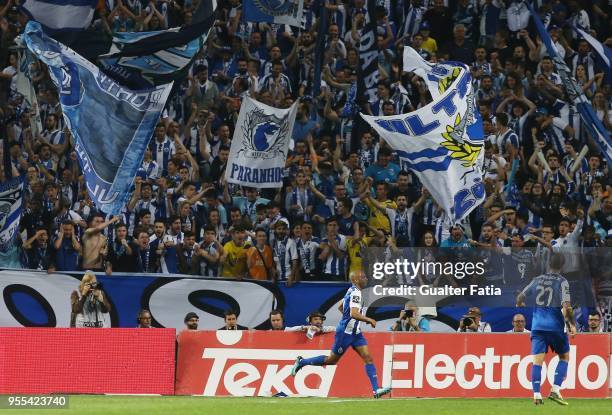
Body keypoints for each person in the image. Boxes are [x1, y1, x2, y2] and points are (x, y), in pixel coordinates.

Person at [291, 270, 392, 399]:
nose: (366, 278)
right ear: (355, 280)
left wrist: (348, 319)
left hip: (355, 333)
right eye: (363, 276)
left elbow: (341, 307)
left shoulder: (352, 290)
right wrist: (369, 319)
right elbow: (354, 314)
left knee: (368, 357)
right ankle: (302, 362)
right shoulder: (356, 293)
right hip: (345, 333)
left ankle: (376, 389)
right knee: (331, 360)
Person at [517, 253, 576, 406]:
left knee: (537, 362)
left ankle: (536, 394)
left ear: (549, 264)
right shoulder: (563, 282)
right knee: (564, 357)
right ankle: (555, 389)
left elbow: (520, 297)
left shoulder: (536, 280)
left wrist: (520, 304)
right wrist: (571, 324)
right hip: (555, 327)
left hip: (537, 327)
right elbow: (566, 306)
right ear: (562, 266)